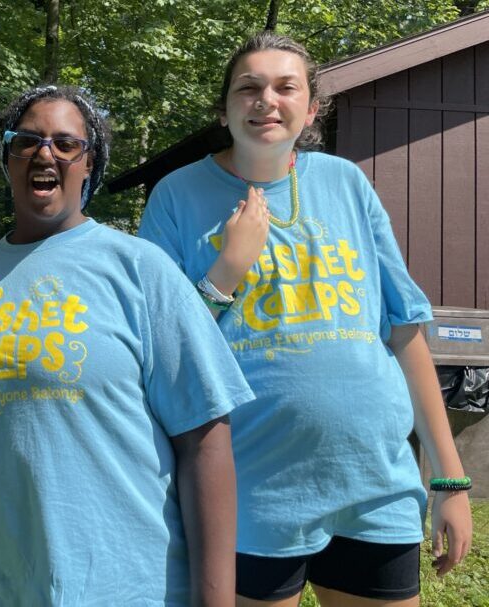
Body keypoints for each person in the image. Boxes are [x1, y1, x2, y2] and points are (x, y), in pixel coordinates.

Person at [138, 31, 473, 607]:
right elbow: (159, 352)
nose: (267, 100)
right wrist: (227, 268)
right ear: (224, 108)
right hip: (249, 493)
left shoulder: (347, 183)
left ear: (311, 108)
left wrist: (448, 478)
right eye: (249, 87)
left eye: (286, 87)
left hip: (375, 484)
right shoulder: (177, 197)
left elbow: (404, 330)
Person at [0, 85, 254, 607]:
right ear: (7, 158)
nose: (45, 154)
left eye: (67, 144)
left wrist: (215, 600)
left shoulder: (140, 268)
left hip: (120, 586)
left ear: (90, 166)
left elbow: (206, 439)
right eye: (27, 141)